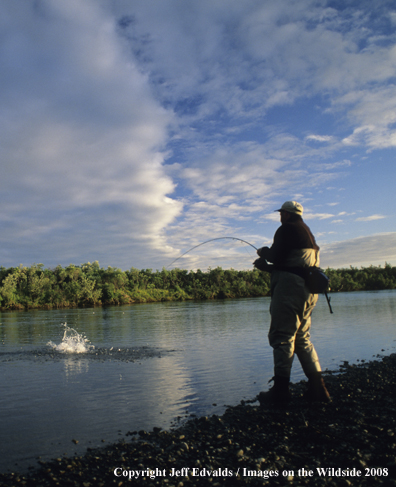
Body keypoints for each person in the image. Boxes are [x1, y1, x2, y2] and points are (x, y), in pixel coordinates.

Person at [254, 200, 331, 405]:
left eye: (281, 213)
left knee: (282, 337)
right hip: (308, 290)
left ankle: (280, 393)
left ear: (286, 214)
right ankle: (319, 389)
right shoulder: (307, 233)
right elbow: (291, 265)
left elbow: (277, 256)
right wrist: (268, 267)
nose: (280, 217)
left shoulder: (286, 229)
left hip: (290, 290)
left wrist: (263, 253)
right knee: (302, 337)